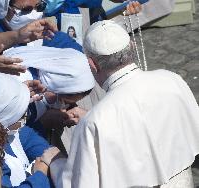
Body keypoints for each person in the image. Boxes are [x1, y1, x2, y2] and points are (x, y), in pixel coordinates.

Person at [52, 20, 199, 188]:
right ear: (133, 47)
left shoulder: (94, 122)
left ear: (92, 64)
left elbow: (80, 183)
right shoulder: (172, 79)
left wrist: (55, 163)